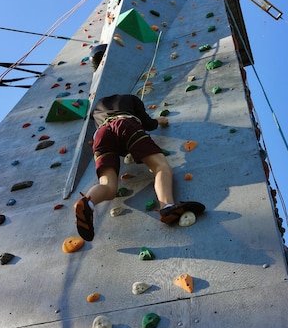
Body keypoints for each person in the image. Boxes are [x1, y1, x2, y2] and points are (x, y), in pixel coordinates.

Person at [74, 93, 205, 241]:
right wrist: (161, 121)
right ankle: (167, 206)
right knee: (161, 167)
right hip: (125, 124)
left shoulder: (97, 107)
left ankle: (89, 202)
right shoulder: (131, 98)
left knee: (108, 187)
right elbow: (148, 124)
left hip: (101, 135)